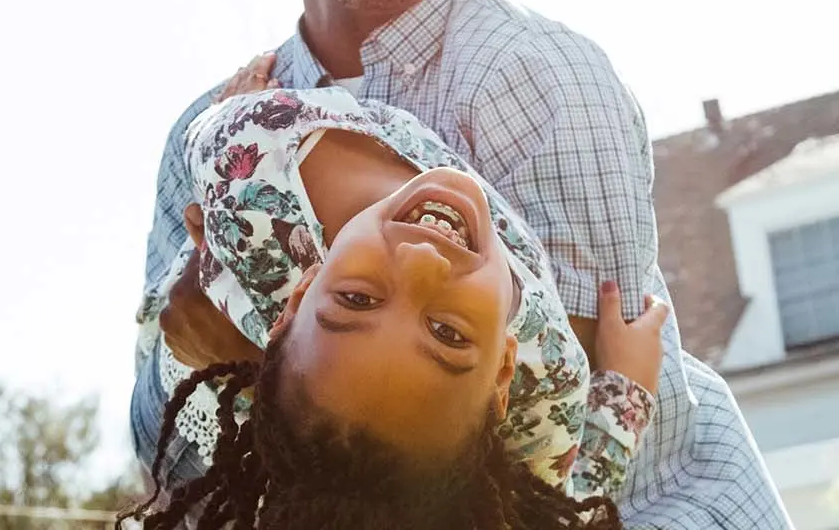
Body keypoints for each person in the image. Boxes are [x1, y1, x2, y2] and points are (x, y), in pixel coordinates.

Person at [135, 0, 791, 527]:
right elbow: (168, 439)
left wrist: (234, 338)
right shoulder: (203, 136)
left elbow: (553, 448)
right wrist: (214, 341)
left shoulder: (537, 78)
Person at [125, 86, 658, 528]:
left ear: (298, 298)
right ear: (502, 375)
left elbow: (214, 148)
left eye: (358, 300)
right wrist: (626, 394)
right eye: (447, 334)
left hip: (194, 408)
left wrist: (220, 213)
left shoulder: (251, 161)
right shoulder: (549, 387)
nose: (423, 260)